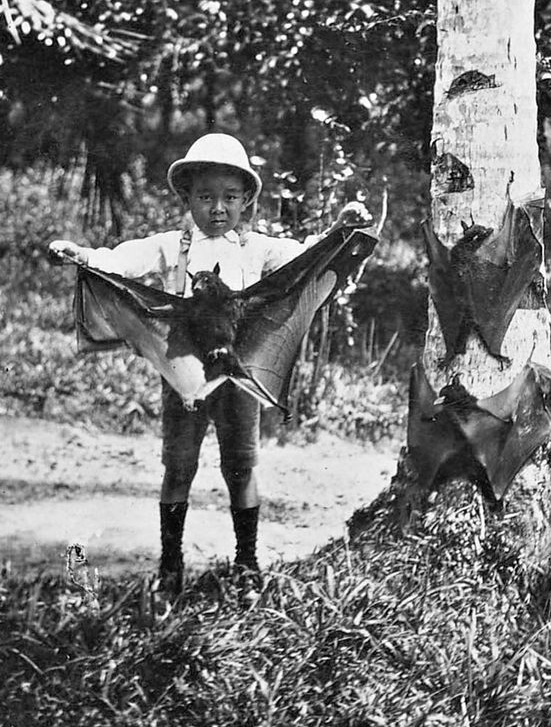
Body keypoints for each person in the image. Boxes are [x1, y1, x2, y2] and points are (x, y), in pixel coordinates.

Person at [49, 132, 371, 602]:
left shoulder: (256, 249)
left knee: (240, 465)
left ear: (245, 202)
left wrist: (340, 231)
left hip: (241, 373)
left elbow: (306, 256)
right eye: (206, 197)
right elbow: (122, 263)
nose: (218, 208)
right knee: (179, 466)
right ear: (187, 198)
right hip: (185, 372)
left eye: (230, 198)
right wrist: (84, 256)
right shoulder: (172, 246)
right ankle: (171, 566)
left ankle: (246, 563)